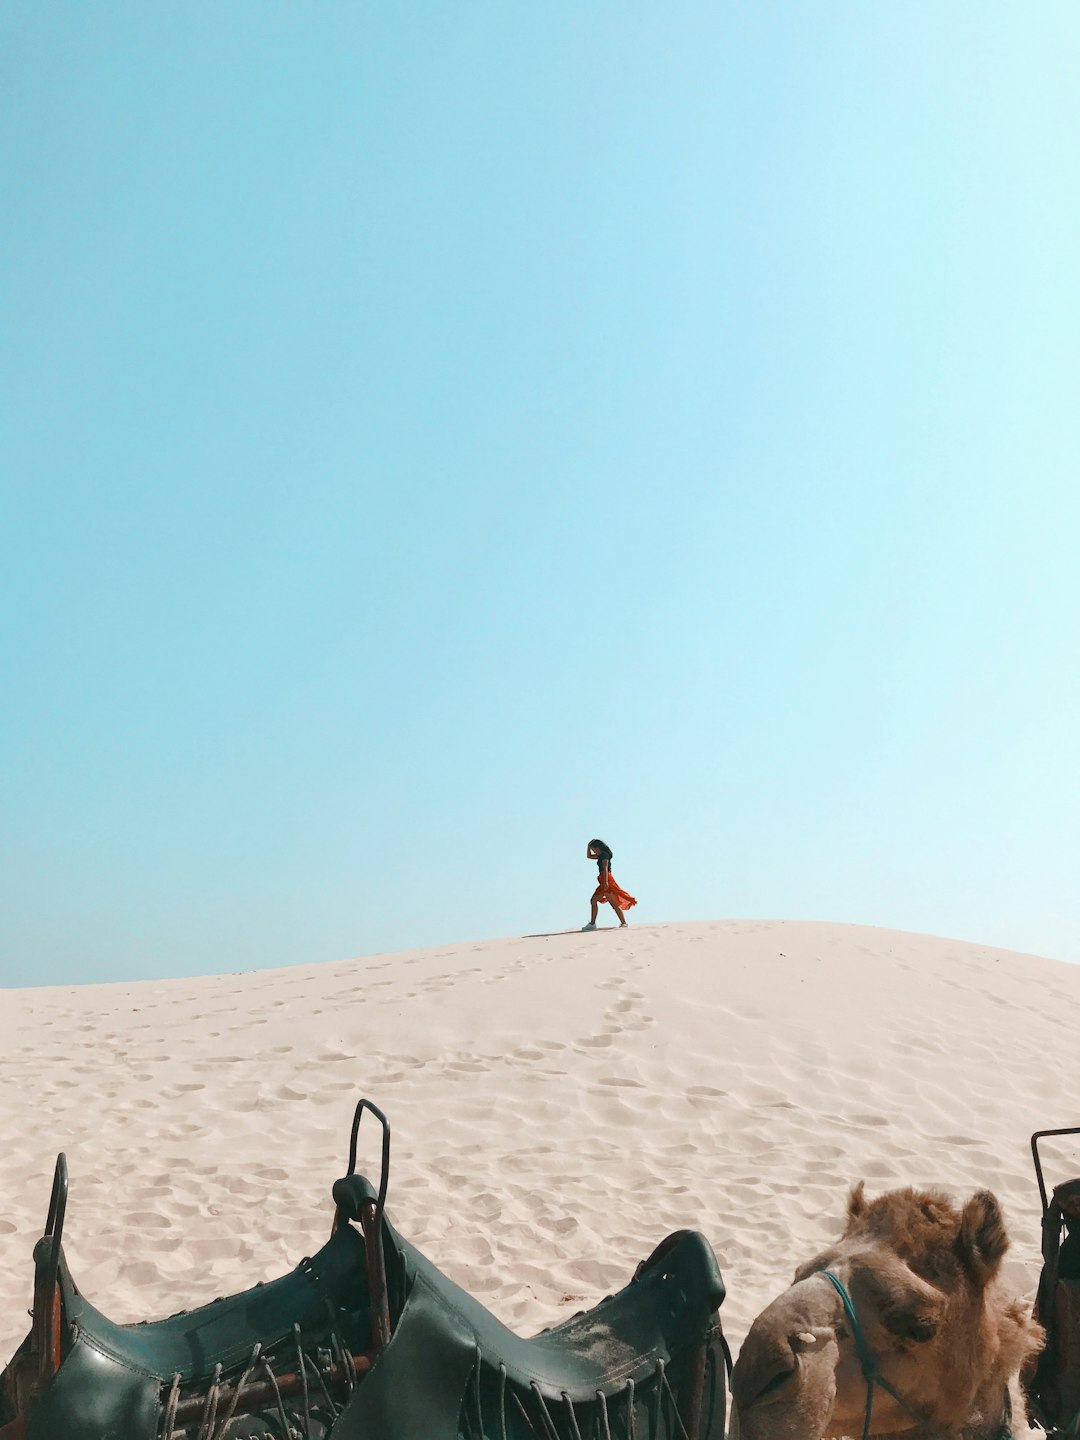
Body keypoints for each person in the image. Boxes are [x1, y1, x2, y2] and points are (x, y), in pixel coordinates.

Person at [582, 838, 636, 930]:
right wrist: (588, 846)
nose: (593, 851)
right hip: (603, 880)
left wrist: (606, 882)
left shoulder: (604, 856)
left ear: (597, 848)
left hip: (606, 879)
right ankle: (592, 924)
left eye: (593, 849)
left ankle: (624, 923)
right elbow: (589, 856)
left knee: (613, 903)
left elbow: (605, 868)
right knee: (593, 900)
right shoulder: (600, 856)